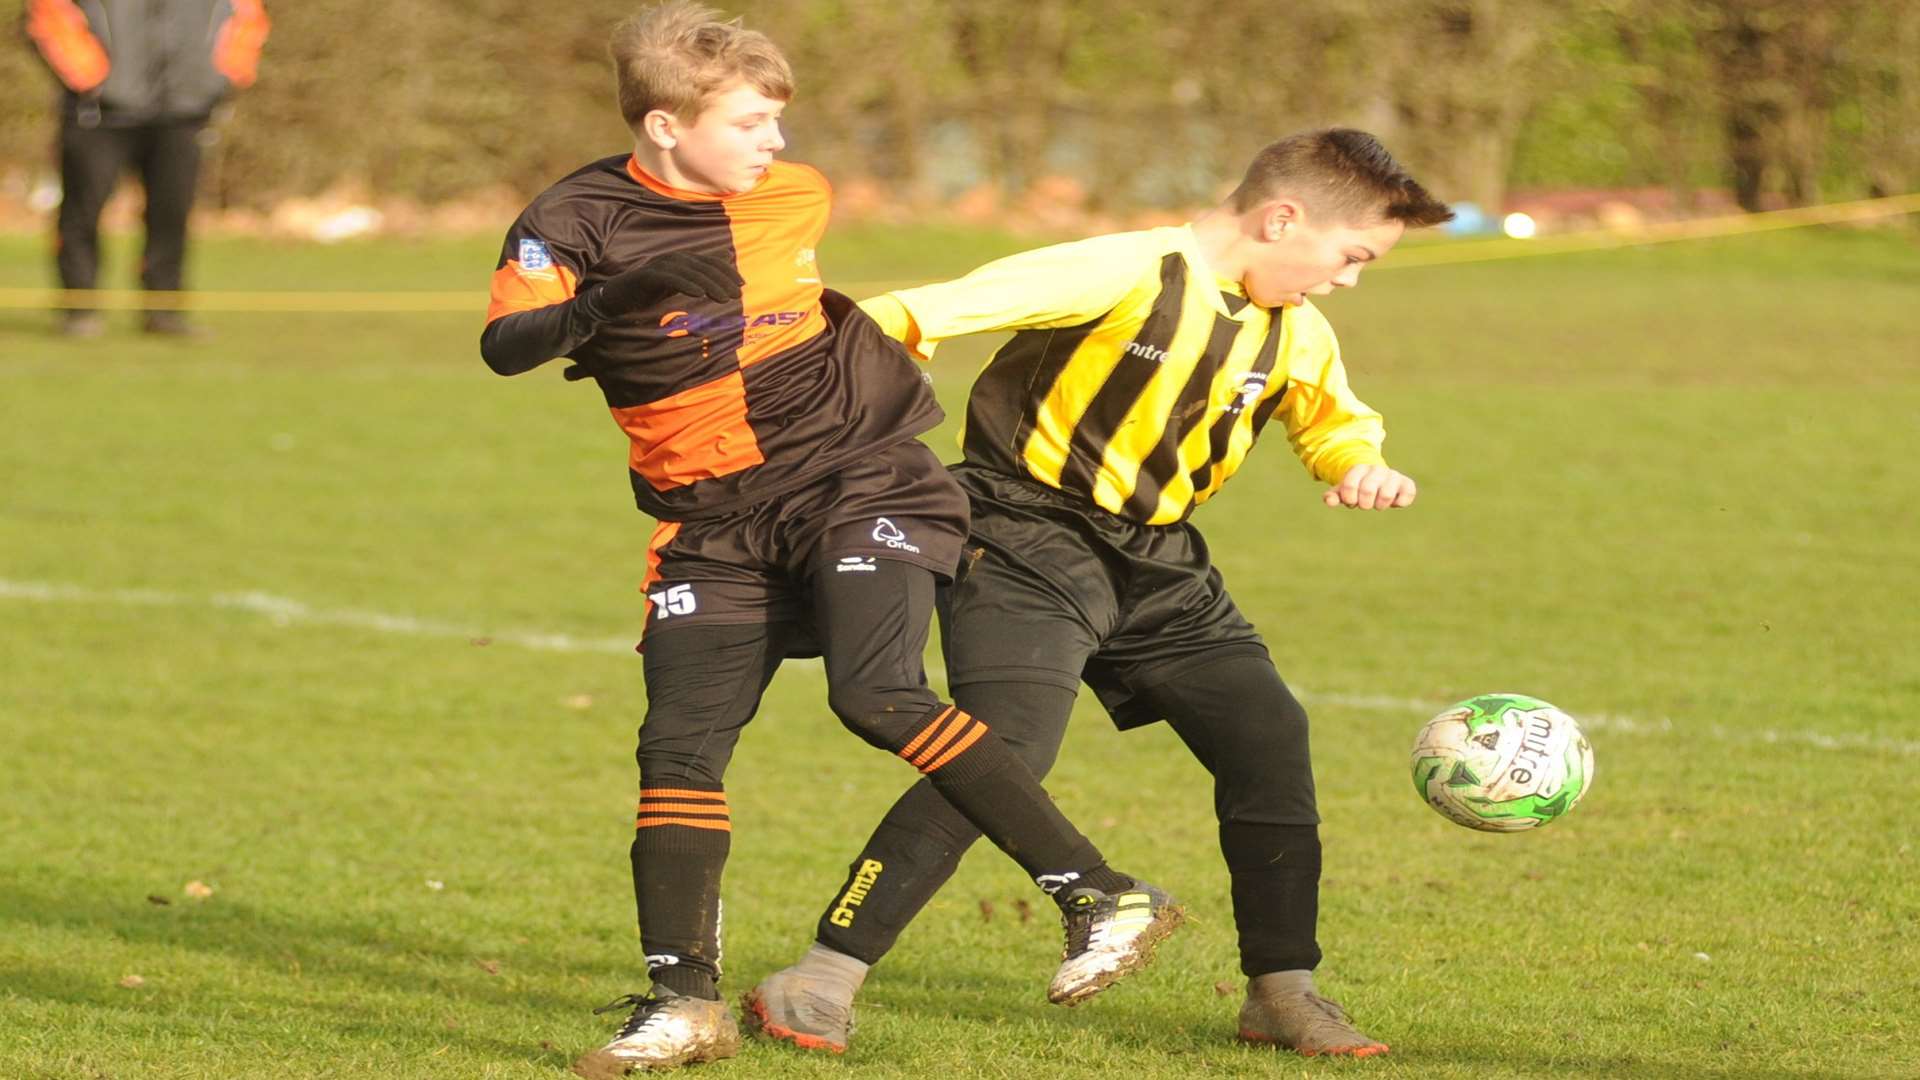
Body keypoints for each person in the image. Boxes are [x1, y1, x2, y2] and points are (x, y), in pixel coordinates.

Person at [479, 4, 1181, 1074]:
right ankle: (683, 1007)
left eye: (778, 120)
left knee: (876, 692)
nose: (778, 145)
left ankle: (1100, 895)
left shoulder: (789, 198)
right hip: (711, 517)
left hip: (862, 478)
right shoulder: (571, 218)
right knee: (677, 749)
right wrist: (615, 301)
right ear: (666, 126)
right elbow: (505, 345)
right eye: (753, 122)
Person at [743, 129, 1453, 1060]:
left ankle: (1283, 992)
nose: (1351, 278)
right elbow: (911, 314)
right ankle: (822, 975)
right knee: (1000, 752)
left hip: (1160, 565)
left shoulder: (1296, 327)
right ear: (1283, 218)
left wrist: (1362, 463)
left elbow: (1332, 419)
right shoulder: (1120, 271)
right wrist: (802, 394)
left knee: (1270, 737)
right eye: (1352, 255)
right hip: (1021, 537)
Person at [23, 0, 270, 337]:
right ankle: (78, 309)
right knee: (82, 213)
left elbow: (247, 19)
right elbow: (49, 13)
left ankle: (164, 311)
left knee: (172, 214)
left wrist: (221, 77)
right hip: (98, 114)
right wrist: (90, 76)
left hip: (183, 109)